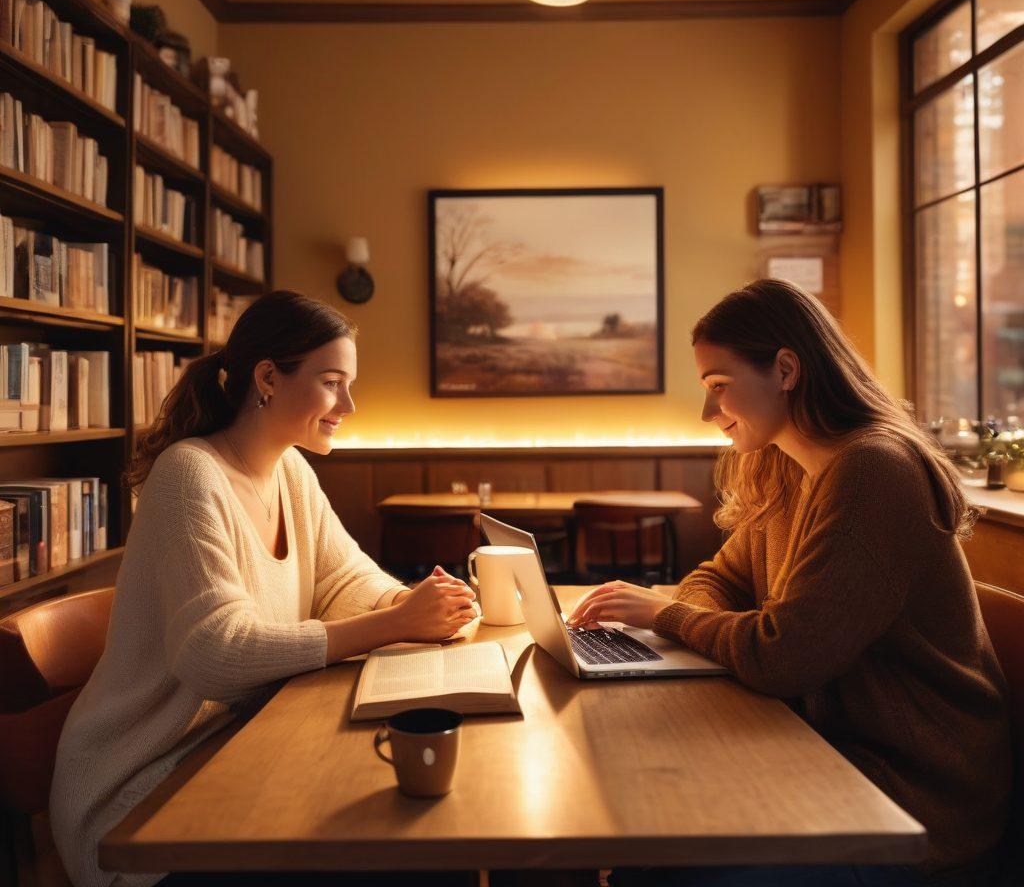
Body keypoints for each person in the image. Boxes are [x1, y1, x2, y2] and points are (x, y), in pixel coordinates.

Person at [568, 279, 1012, 887]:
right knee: (641, 835)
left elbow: (784, 656)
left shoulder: (872, 470)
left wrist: (664, 616)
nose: (707, 413)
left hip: (911, 800)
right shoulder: (786, 466)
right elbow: (715, 578)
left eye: (719, 387)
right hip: (825, 756)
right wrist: (703, 618)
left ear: (785, 369)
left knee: (660, 866)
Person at [50, 291, 477, 887]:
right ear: (269, 378)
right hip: (144, 794)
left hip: (242, 749)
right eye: (333, 382)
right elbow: (213, 654)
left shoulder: (289, 468)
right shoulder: (189, 475)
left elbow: (343, 576)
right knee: (415, 854)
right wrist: (392, 625)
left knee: (426, 839)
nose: (348, 404)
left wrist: (405, 602)